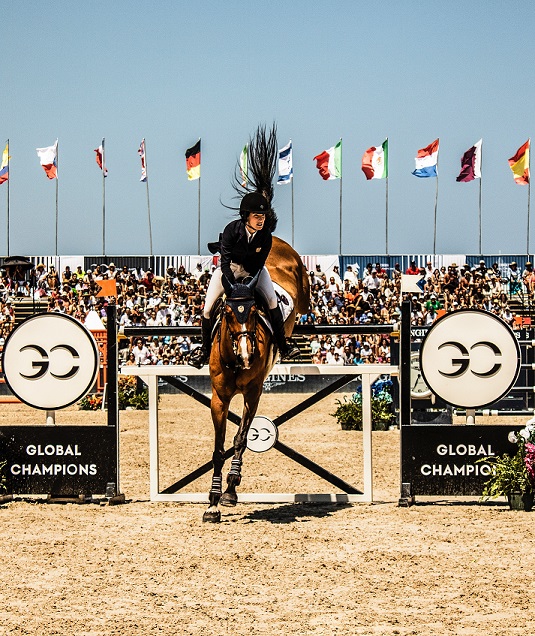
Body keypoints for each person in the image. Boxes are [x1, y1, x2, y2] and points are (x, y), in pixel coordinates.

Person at [189, 191, 300, 368]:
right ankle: (204, 351)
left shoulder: (265, 236)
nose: (261, 220)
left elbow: (259, 263)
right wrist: (233, 286)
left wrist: (249, 284)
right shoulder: (231, 230)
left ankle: (283, 346)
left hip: (254, 271)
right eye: (256, 216)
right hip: (229, 270)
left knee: (272, 301)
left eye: (263, 216)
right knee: (208, 308)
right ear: (246, 216)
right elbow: (224, 263)